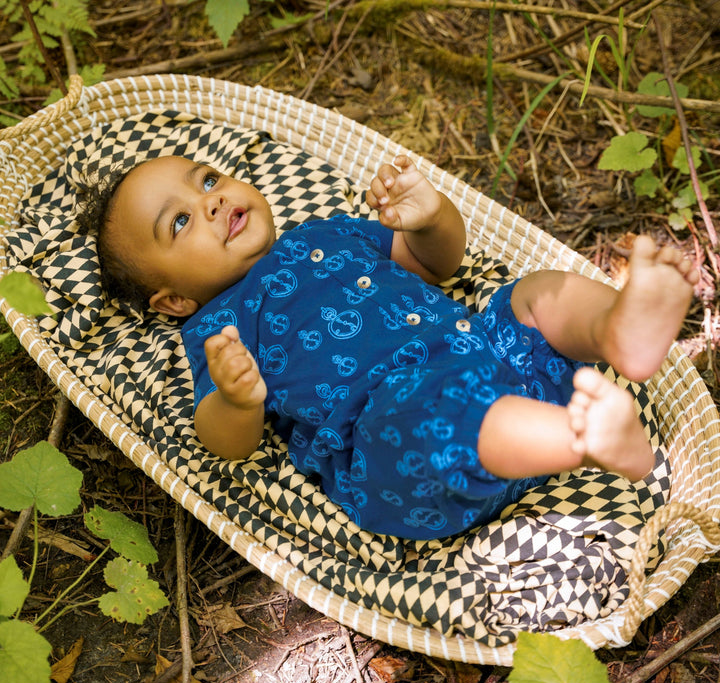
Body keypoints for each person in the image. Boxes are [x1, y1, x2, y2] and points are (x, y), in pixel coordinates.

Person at [86, 153, 698, 539]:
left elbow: (434, 265)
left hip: (485, 352)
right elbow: (223, 443)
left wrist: (431, 218)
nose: (211, 200)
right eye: (181, 222)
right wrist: (237, 398)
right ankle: (580, 436)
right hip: (397, 446)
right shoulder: (217, 329)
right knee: (431, 407)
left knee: (531, 296)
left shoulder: (327, 230)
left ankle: (619, 330)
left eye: (208, 179)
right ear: (173, 301)